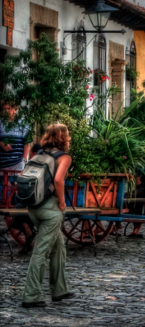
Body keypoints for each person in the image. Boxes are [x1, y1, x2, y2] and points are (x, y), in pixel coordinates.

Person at [21, 124, 74, 308]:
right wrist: (62, 203)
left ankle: (59, 289)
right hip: (51, 210)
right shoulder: (64, 157)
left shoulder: (38, 155)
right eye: (67, 135)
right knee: (41, 252)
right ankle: (31, 296)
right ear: (62, 138)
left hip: (33, 207)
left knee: (58, 247)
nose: (69, 138)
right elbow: (58, 180)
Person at [0, 100, 31, 171]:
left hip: (18, 164)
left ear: (15, 108)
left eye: (8, 108)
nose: (6, 111)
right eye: (4, 109)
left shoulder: (24, 123)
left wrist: (24, 159)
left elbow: (27, 142)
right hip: (1, 165)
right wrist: (1, 144)